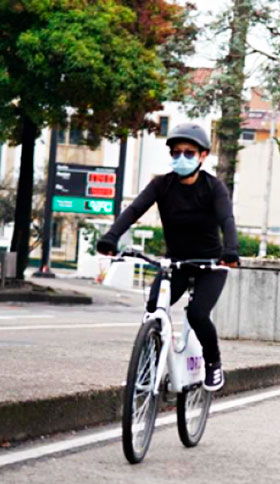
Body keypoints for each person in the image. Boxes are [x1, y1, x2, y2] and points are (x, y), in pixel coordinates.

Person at [96, 123, 238, 392]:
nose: (181, 158)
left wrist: (231, 250)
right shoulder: (162, 185)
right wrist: (111, 237)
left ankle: (213, 362)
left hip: (210, 266)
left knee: (197, 314)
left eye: (189, 152)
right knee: (153, 308)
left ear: (203, 155)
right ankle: (149, 364)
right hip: (175, 263)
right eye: (176, 153)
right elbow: (134, 210)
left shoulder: (214, 187)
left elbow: (226, 219)